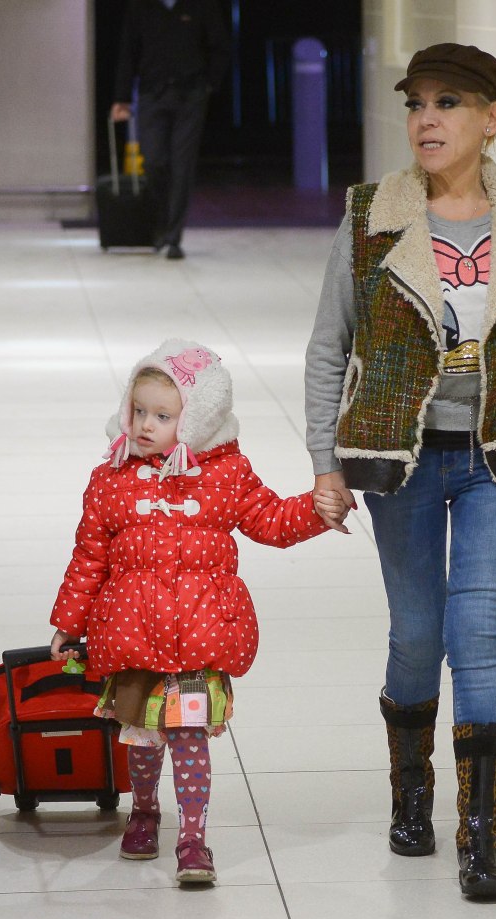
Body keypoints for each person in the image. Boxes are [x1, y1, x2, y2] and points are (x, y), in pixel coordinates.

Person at [304, 43, 496, 900]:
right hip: (398, 459)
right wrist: (323, 465)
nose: (426, 117)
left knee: (476, 631)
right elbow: (326, 349)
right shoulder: (370, 215)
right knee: (415, 632)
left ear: (492, 120)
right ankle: (410, 795)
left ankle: (479, 834)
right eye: (416, 101)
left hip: (493, 459)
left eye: (448, 102)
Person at [50, 337, 346, 884]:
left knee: (188, 742)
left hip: (198, 638)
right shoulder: (111, 480)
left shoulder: (226, 475)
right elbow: (89, 555)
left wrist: (317, 509)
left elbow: (271, 521)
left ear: (198, 420)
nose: (144, 425)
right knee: (141, 741)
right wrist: (68, 624)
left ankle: (193, 837)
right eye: (138, 411)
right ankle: (143, 811)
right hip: (132, 637)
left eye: (162, 415)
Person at [110, 0, 230, 260]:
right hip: (152, 95)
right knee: (153, 161)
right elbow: (128, 51)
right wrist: (122, 97)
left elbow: (220, 46)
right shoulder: (141, 7)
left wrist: (209, 85)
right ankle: (161, 225)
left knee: (182, 165)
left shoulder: (202, 6)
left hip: (190, 96)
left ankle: (173, 237)